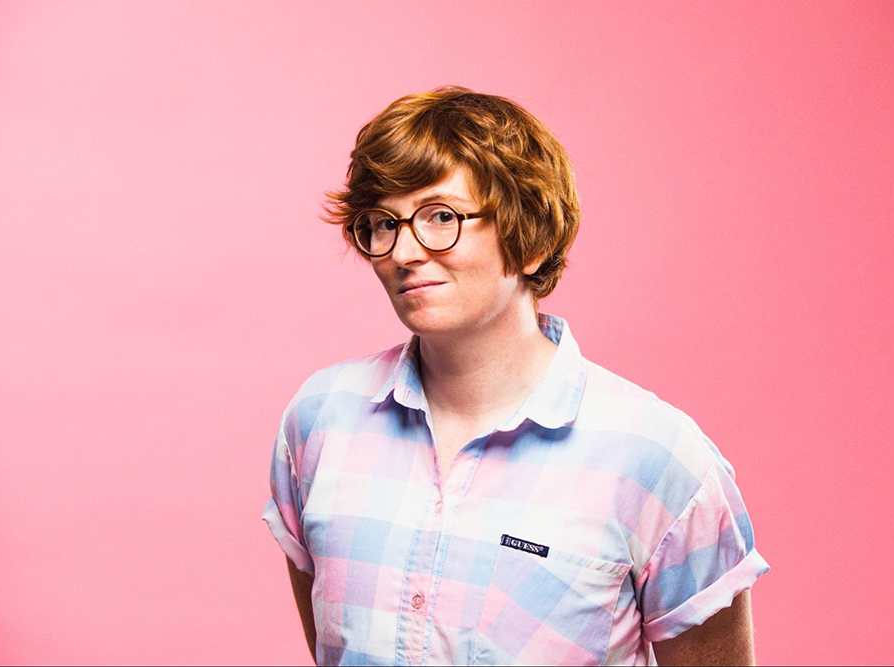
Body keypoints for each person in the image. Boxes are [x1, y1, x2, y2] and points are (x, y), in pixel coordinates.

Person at [262, 85, 769, 666]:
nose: (402, 252)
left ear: (530, 238)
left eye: (441, 216)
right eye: (382, 223)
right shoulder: (320, 420)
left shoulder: (655, 457)